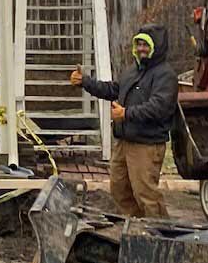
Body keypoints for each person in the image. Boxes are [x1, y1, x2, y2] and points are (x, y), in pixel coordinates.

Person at [70, 26, 177, 218]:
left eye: (146, 45)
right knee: (119, 190)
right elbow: (113, 90)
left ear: (156, 48)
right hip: (124, 142)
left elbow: (159, 108)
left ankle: (162, 234)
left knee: (146, 194)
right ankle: (135, 228)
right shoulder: (132, 71)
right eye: (139, 44)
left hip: (146, 145)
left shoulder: (165, 75)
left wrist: (126, 113)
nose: (141, 48)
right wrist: (85, 82)